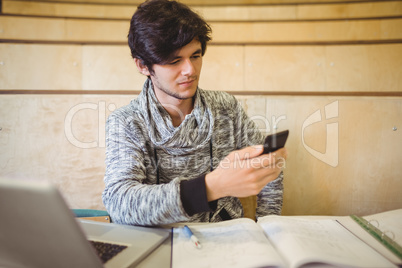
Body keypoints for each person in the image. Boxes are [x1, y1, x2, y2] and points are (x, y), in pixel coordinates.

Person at [102, 0, 287, 226]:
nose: (190, 70)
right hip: (160, 242)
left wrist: (269, 227)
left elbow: (268, 168)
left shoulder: (225, 106)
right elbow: (120, 202)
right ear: (142, 66)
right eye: (174, 61)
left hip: (227, 237)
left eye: (195, 56)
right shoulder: (126, 121)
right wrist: (212, 187)